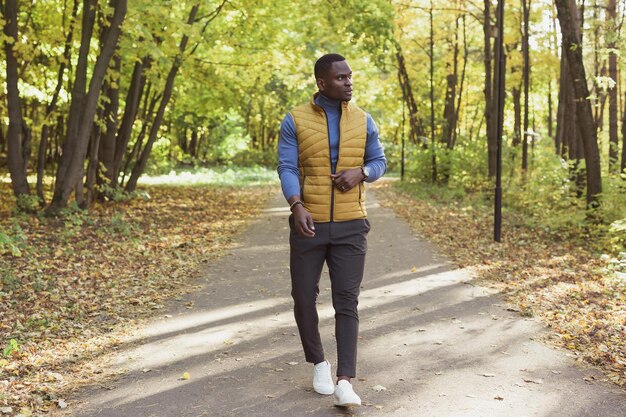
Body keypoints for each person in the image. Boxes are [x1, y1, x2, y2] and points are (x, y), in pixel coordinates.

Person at [277, 53, 386, 407]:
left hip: (352, 225)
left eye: (350, 77)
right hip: (309, 224)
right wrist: (297, 205)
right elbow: (287, 166)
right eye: (341, 78)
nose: (349, 82)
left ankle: (345, 380)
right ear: (321, 83)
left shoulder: (364, 120)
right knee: (303, 296)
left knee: (347, 302)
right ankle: (319, 363)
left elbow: (379, 161)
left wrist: (363, 173)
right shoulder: (295, 120)